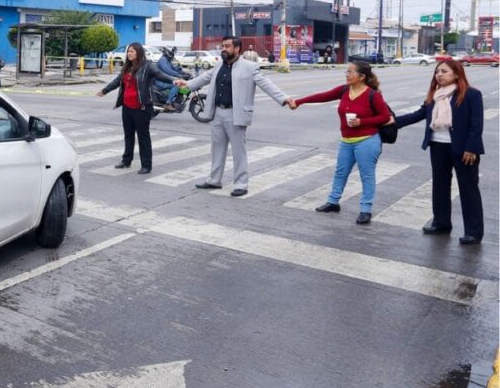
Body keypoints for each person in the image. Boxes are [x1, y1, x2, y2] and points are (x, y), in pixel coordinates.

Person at [175, 36, 292, 196]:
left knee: (238, 151)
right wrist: (187, 84)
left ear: (237, 48)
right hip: (218, 113)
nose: (224, 49)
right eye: (223, 46)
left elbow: (266, 84)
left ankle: (241, 184)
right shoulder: (218, 66)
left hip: (235, 114)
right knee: (217, 148)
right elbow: (204, 79)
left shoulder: (250, 67)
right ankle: (214, 180)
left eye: (227, 46)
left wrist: (284, 98)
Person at [392, 60, 484, 244]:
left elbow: (476, 124)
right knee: (440, 186)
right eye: (437, 72)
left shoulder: (471, 95)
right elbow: (418, 114)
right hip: (438, 145)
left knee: (468, 189)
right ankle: (441, 223)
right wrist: (391, 121)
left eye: (444, 71)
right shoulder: (435, 95)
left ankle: (473, 232)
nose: (439, 75)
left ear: (456, 74)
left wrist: (471, 147)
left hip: (463, 149)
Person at [289, 61, 391, 224]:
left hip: (367, 141)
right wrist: (299, 102)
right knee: (340, 172)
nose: (347, 75)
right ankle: (333, 202)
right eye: (347, 72)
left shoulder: (373, 95)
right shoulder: (345, 90)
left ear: (362, 77)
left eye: (350, 72)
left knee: (366, 176)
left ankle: (366, 210)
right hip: (346, 141)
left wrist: (361, 122)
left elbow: (385, 117)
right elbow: (323, 96)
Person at [96, 42, 176, 174]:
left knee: (143, 136)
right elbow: (117, 82)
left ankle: (146, 165)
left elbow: (160, 75)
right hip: (127, 107)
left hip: (142, 107)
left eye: (132, 51)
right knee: (128, 135)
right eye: (128, 52)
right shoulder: (126, 68)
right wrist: (104, 91)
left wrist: (173, 80)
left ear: (139, 52)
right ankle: (126, 160)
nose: (129, 54)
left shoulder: (147, 66)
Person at [151, 47, 183, 113]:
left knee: (177, 83)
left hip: (163, 80)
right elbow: (167, 70)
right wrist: (178, 75)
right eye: (171, 53)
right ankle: (168, 104)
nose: (172, 55)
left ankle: (174, 100)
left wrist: (185, 73)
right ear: (168, 53)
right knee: (176, 85)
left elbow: (174, 69)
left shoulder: (168, 61)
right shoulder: (163, 60)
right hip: (159, 82)